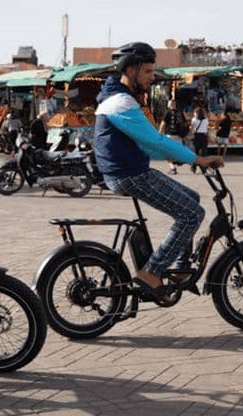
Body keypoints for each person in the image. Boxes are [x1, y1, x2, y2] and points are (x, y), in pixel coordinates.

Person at [94, 42, 223, 301]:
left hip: (127, 171)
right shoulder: (121, 102)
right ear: (131, 70)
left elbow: (148, 145)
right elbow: (155, 141)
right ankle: (151, 273)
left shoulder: (117, 98)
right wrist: (197, 159)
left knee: (192, 201)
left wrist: (180, 158)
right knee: (192, 215)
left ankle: (178, 268)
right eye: (148, 71)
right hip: (130, 175)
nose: (151, 78)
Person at [158, 99, 188, 174]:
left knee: (166, 153)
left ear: (170, 104)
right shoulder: (180, 113)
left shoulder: (168, 112)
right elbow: (185, 124)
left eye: (168, 103)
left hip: (169, 135)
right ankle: (179, 160)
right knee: (177, 151)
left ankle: (173, 168)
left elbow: (163, 124)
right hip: (179, 136)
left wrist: (159, 134)